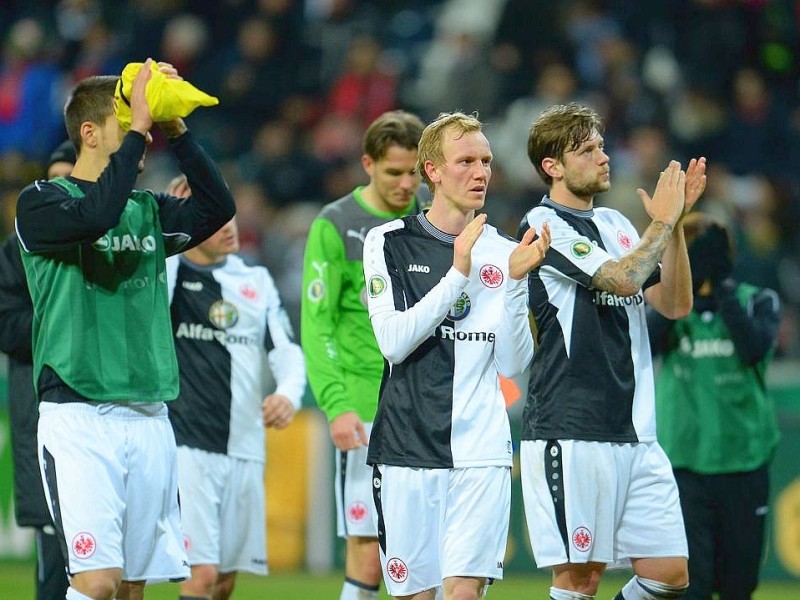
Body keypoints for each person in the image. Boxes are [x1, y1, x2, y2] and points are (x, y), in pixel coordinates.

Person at [14, 58, 236, 600]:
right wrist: (139, 130)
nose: (138, 124)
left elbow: (217, 208)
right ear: (90, 133)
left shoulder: (147, 210)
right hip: (79, 414)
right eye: (123, 115)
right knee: (96, 583)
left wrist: (174, 127)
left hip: (149, 414)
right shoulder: (39, 205)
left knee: (134, 587)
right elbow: (95, 216)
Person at [517, 102, 706, 600]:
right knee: (581, 580)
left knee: (668, 575)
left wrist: (676, 224)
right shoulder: (543, 224)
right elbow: (622, 280)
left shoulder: (619, 224)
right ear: (552, 167)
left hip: (637, 431)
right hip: (573, 426)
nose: (603, 156)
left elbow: (675, 303)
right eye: (586, 150)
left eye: (601, 145)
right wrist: (660, 224)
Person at [363, 111, 551, 600]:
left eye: (486, 161)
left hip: (481, 451)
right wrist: (457, 274)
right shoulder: (387, 242)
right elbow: (394, 342)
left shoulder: (505, 251)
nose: (481, 172)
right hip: (405, 449)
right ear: (433, 171)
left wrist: (514, 284)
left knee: (463, 594)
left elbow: (512, 364)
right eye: (466, 160)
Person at [300, 109, 426, 600]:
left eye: (414, 171)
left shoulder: (430, 222)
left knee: (424, 555)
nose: (405, 183)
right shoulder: (337, 224)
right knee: (369, 552)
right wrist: (336, 403)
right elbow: (318, 324)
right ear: (367, 164)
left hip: (424, 406)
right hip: (364, 407)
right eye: (394, 171)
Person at [164, 175, 306, 600]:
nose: (228, 226)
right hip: (187, 446)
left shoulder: (255, 280)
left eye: (231, 216)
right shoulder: (166, 275)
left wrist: (287, 393)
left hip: (245, 446)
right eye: (214, 216)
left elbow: (285, 347)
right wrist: (172, 230)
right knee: (201, 576)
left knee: (224, 581)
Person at [648, 212, 781, 600]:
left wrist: (720, 284)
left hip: (745, 461)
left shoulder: (757, 300)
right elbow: (646, 346)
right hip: (685, 467)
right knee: (693, 584)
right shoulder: (668, 313)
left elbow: (753, 349)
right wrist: (681, 295)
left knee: (740, 584)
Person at [1, 140, 75, 600]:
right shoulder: (15, 251)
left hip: (106, 415)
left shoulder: (107, 238)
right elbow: (5, 326)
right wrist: (66, 319)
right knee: (55, 565)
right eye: (57, 179)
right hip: (41, 413)